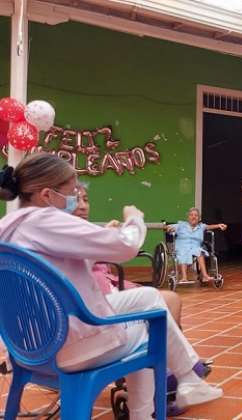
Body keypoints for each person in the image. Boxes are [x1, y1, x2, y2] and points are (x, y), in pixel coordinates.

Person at [0, 154, 222, 419]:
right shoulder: (46, 219)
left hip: (28, 347)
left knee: (150, 296)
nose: (75, 201)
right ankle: (150, 409)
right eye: (72, 193)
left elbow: (62, 262)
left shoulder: (9, 226)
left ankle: (189, 378)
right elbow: (126, 246)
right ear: (47, 195)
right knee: (151, 331)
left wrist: (99, 239)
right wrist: (134, 220)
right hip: (69, 348)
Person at [73, 183, 184, 327]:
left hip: (101, 293)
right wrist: (134, 218)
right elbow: (127, 246)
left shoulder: (75, 232)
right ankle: (164, 346)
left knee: (168, 300)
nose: (83, 206)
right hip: (93, 306)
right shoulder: (70, 234)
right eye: (75, 200)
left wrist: (107, 233)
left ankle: (168, 346)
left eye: (86, 200)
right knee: (168, 301)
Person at [166, 208, 227, 283]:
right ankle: (184, 277)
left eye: (196, 215)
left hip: (195, 247)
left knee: (199, 252)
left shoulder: (201, 226)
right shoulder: (181, 225)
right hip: (181, 246)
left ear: (199, 218)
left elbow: (209, 227)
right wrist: (169, 228)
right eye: (191, 215)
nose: (193, 217)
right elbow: (169, 227)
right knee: (183, 253)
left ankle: (205, 276)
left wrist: (219, 225)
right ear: (188, 217)